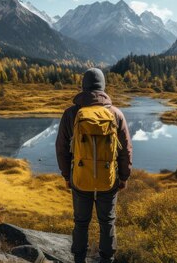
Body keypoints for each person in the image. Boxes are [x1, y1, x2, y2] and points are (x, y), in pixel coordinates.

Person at [55, 68, 132, 263]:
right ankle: (107, 259)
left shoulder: (71, 113)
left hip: (80, 178)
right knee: (107, 222)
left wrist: (67, 176)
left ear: (84, 86)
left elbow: (61, 148)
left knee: (81, 222)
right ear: (103, 87)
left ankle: (79, 259)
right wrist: (123, 177)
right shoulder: (115, 113)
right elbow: (125, 149)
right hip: (109, 178)